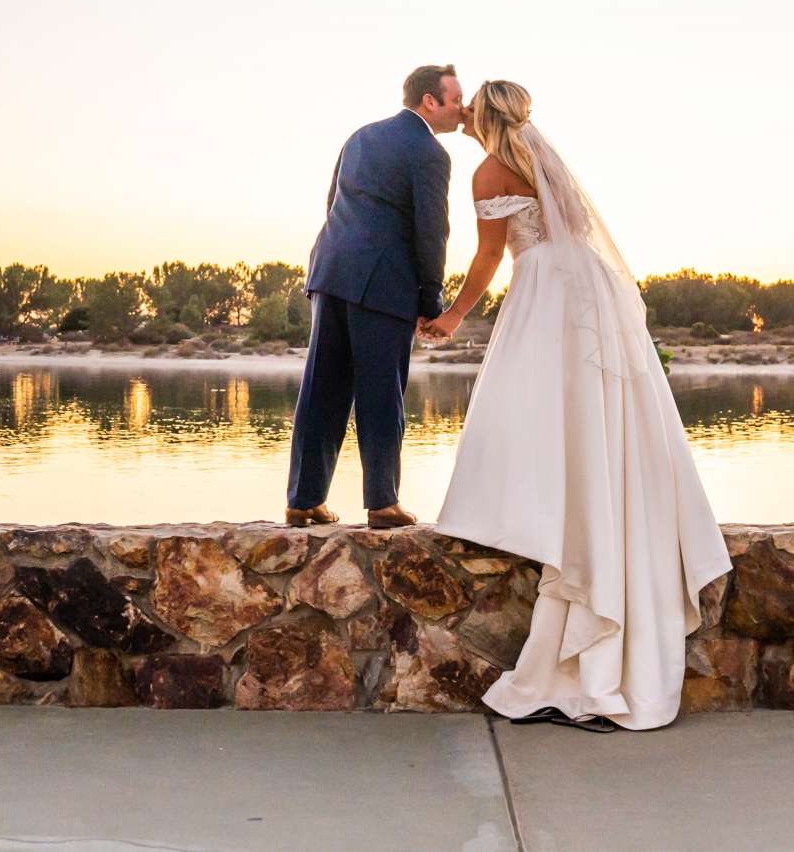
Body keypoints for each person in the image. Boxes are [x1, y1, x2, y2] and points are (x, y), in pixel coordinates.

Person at [426, 79, 731, 732]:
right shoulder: (547, 158)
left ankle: (584, 661)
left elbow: (487, 255)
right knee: (596, 436)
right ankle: (595, 631)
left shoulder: (488, 170)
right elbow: (583, 232)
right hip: (587, 297)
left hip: (546, 298)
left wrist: (453, 315)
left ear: (479, 118)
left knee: (545, 432)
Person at [285, 63, 462, 529]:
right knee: (382, 394)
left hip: (331, 270)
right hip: (384, 284)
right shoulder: (429, 152)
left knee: (321, 388)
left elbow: (332, 203)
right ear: (430, 101)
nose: (461, 110)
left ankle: (303, 501)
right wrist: (431, 300)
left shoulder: (360, 136)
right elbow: (431, 233)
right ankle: (382, 503)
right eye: (455, 100)